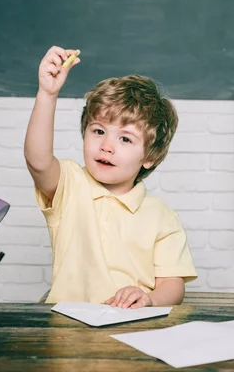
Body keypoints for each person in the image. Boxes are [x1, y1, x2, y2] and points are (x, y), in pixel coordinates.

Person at [25, 46, 197, 309]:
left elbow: (173, 285)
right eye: (98, 131)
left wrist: (149, 299)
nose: (107, 146)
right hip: (67, 330)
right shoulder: (70, 184)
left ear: (149, 156)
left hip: (133, 329)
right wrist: (47, 94)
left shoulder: (162, 216)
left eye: (125, 138)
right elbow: (38, 161)